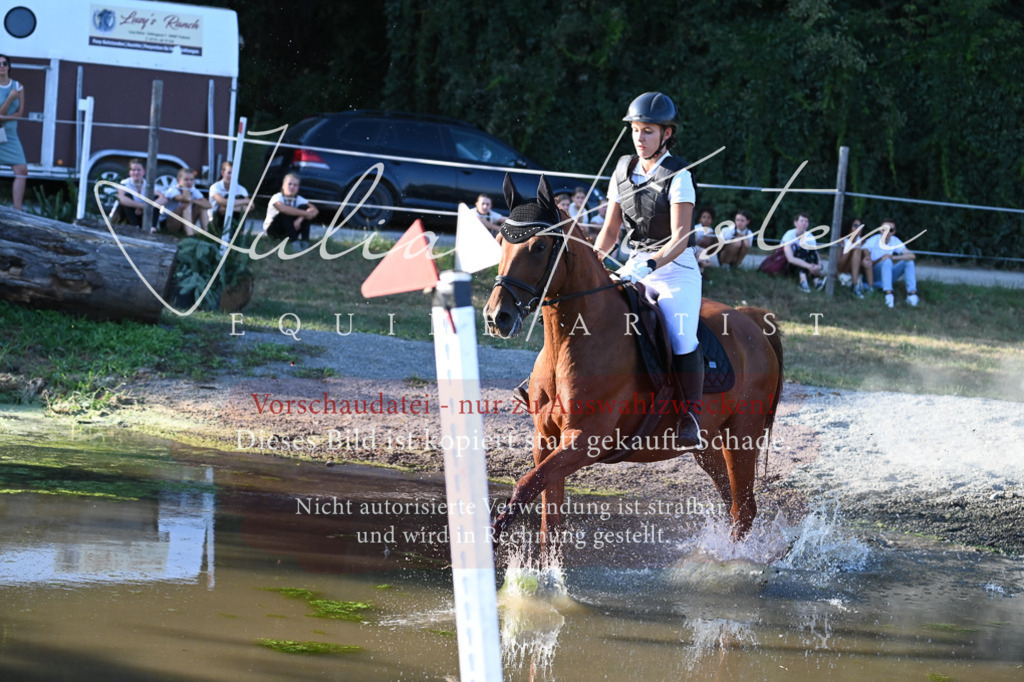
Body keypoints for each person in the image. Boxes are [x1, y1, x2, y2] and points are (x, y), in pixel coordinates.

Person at [594, 91, 702, 447]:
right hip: (635, 264)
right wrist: (593, 260)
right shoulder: (622, 169)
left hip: (675, 268)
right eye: (636, 131)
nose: (640, 139)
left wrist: (651, 264)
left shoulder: (678, 175)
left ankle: (690, 416)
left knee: (681, 333)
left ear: (666, 134)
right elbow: (610, 232)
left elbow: (680, 238)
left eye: (648, 132)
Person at [864, 219, 919, 308]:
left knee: (909, 262)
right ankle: (888, 294)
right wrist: (884, 258)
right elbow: (865, 253)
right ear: (880, 230)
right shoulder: (873, 240)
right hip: (874, 274)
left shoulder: (894, 241)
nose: (887, 232)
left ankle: (912, 294)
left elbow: (911, 255)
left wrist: (893, 257)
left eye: (891, 230)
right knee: (886, 261)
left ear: (894, 232)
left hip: (888, 273)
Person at [0, 55, 28, 211]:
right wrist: (10, 99)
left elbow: (20, 113)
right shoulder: (12, 92)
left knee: (21, 170)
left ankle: (18, 210)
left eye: (5, 63)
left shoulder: (18, 86)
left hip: (10, 133)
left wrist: (5, 117)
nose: (2, 66)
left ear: (9, 66)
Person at [263, 172, 319, 248]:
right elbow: (283, 209)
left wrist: (300, 218)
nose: (292, 187)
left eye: (295, 185)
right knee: (285, 213)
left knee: (304, 207)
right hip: (274, 231)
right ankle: (295, 243)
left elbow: (315, 211)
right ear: (283, 186)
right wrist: (305, 214)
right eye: (289, 184)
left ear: (298, 188)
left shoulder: (299, 198)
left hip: (290, 229)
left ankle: (305, 242)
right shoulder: (277, 197)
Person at [115, 158, 167, 232]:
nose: (136, 172)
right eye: (133, 170)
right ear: (129, 172)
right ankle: (134, 226)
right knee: (127, 197)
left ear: (144, 171)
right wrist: (142, 206)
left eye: (139, 170)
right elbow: (121, 198)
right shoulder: (124, 183)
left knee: (156, 198)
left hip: (141, 214)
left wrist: (147, 207)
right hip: (124, 215)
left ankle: (152, 227)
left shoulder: (148, 185)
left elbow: (163, 199)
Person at [781, 211, 823, 292]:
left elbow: (816, 254)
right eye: (802, 221)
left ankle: (816, 282)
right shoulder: (789, 235)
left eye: (806, 221)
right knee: (801, 251)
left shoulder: (810, 236)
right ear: (795, 223)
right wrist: (809, 266)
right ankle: (803, 281)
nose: (804, 223)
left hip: (804, 262)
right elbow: (790, 258)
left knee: (809, 252)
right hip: (788, 264)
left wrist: (819, 266)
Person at [162, 167, 210, 237]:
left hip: (184, 223)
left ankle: (207, 234)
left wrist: (193, 200)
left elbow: (208, 205)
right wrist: (185, 188)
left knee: (202, 207)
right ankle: (191, 236)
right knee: (186, 205)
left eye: (191, 180)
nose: (189, 182)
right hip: (169, 223)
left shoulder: (193, 190)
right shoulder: (172, 190)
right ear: (179, 180)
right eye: (186, 180)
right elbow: (186, 198)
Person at [209, 161, 252, 237]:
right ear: (222, 173)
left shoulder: (241, 189)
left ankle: (236, 235)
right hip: (215, 219)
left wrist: (229, 209)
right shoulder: (215, 187)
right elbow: (222, 202)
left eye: (234, 173)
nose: (231, 176)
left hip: (234, 217)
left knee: (238, 208)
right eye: (229, 173)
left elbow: (250, 207)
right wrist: (245, 201)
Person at [836, 217, 874, 298]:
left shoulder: (863, 241)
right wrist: (850, 249)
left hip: (859, 268)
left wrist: (866, 257)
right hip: (844, 267)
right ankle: (854, 286)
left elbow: (868, 255)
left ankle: (871, 288)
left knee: (866, 257)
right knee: (857, 250)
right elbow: (838, 265)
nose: (859, 228)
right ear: (849, 227)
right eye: (856, 226)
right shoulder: (842, 241)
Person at [692, 206, 718, 271]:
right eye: (704, 217)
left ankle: (702, 266)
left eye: (709, 218)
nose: (706, 219)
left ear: (712, 220)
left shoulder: (712, 231)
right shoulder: (696, 228)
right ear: (700, 219)